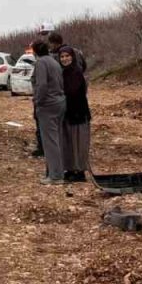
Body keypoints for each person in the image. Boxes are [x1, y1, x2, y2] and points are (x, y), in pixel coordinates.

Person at [31, 40, 66, 185]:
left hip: (48, 105)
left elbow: (42, 85)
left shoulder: (40, 63)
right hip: (60, 102)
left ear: (35, 51)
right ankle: (54, 171)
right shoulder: (54, 61)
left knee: (49, 141)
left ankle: (55, 176)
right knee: (57, 139)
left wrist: (37, 101)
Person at [60, 46, 91, 182]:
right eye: (62, 57)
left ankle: (80, 171)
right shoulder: (62, 72)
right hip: (67, 113)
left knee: (79, 143)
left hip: (79, 113)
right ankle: (70, 168)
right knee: (68, 143)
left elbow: (73, 91)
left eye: (67, 56)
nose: (65, 59)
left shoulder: (76, 72)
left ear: (72, 57)